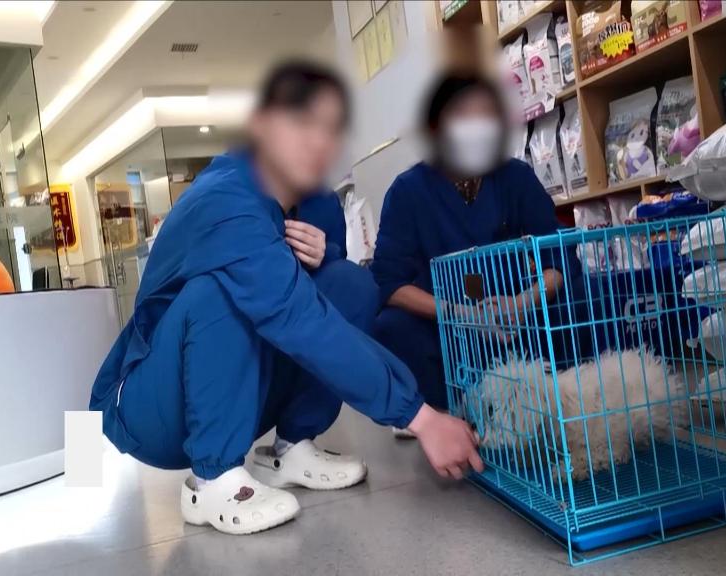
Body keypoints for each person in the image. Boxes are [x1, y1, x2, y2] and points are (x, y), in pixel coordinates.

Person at [89, 61, 483, 536]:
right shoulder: (225, 199)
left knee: (350, 283)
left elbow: (325, 307)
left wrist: (326, 253)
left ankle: (292, 449)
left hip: (243, 389)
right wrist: (420, 416)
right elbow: (299, 318)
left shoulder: (317, 201)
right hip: (152, 408)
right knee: (219, 290)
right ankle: (211, 480)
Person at [371, 73, 565, 430]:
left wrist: (522, 302)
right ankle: (435, 415)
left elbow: (559, 260)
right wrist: (459, 314)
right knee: (392, 327)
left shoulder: (516, 178)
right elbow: (390, 283)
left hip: (513, 321)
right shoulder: (407, 192)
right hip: (443, 327)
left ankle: (555, 400)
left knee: (579, 298)